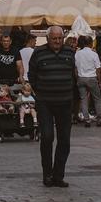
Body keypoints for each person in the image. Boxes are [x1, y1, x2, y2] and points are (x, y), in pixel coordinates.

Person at [29, 25, 77, 187]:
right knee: (47, 137)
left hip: (65, 101)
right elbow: (32, 75)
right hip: (45, 102)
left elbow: (73, 74)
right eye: (54, 38)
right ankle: (47, 174)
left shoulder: (70, 52)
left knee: (64, 140)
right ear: (48, 39)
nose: (57, 41)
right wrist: (40, 92)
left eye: (60, 38)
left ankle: (58, 175)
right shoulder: (39, 52)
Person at [74, 36, 101, 127]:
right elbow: (98, 69)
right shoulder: (94, 54)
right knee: (97, 99)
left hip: (81, 78)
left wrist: (77, 78)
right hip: (92, 78)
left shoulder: (77, 54)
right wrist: (99, 81)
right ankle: (99, 119)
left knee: (83, 99)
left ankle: (87, 120)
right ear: (90, 43)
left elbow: (75, 68)